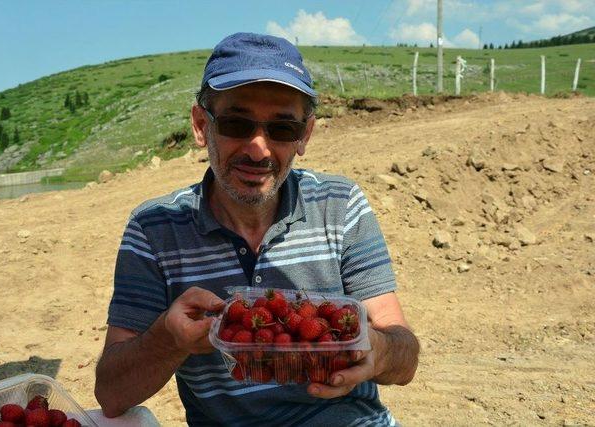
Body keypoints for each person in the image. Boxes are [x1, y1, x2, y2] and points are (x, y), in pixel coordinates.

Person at [94, 32, 419, 426]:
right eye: (236, 123)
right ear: (201, 126)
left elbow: (404, 357)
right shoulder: (154, 229)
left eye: (282, 129)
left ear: (305, 135)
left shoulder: (341, 204)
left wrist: (379, 352)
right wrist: (168, 337)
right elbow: (111, 395)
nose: (258, 148)